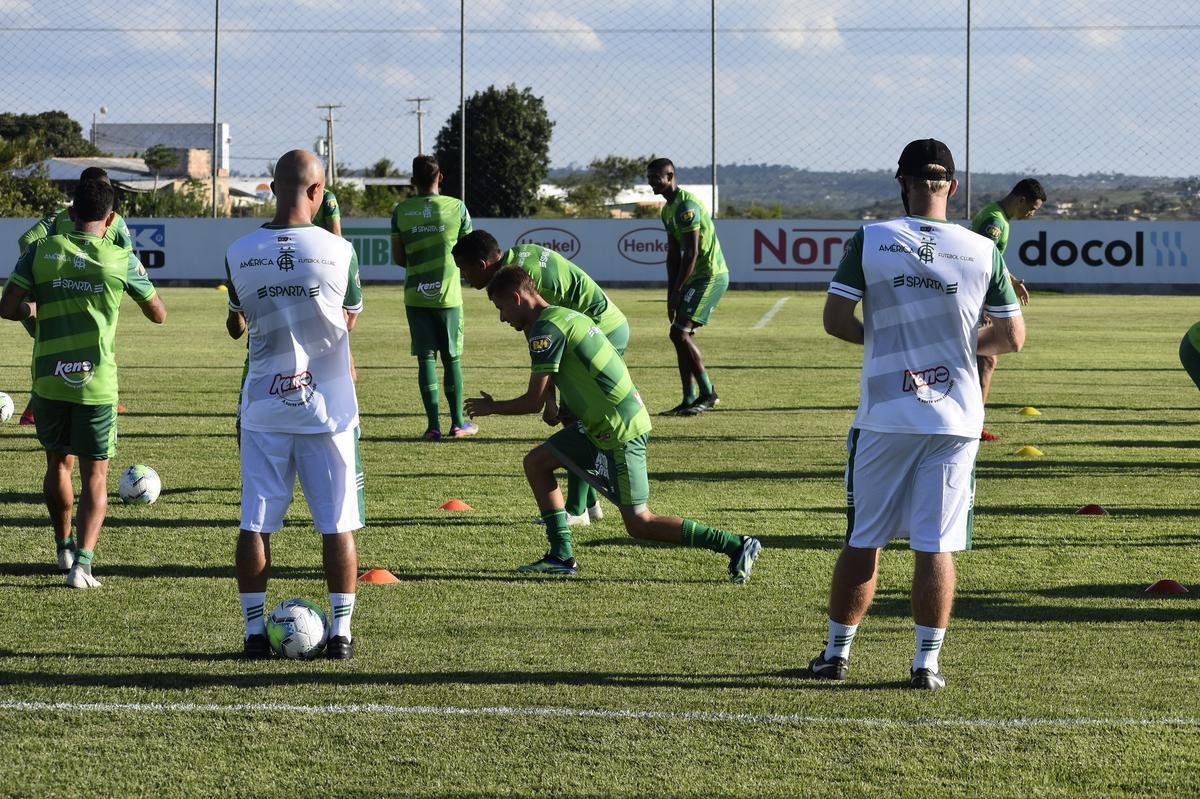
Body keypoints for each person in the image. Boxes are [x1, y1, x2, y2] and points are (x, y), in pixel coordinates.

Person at [809, 139, 1025, 690]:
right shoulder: (983, 249)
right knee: (937, 542)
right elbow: (1012, 339)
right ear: (951, 186)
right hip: (955, 420)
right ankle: (925, 664)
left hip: (886, 415)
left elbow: (835, 320)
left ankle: (836, 656)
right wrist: (956, 340)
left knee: (865, 537)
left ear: (901, 182)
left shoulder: (873, 239)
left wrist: (884, 341)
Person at [464, 266, 761, 582]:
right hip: (606, 420)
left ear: (516, 297)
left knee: (640, 523)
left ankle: (735, 544)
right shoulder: (565, 316)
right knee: (537, 463)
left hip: (619, 429)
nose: (502, 317)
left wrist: (491, 407)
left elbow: (532, 401)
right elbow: (558, 384)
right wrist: (554, 406)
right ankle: (561, 556)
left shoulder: (544, 331)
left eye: (501, 308)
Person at [224, 149, 364, 660]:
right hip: (327, 405)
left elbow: (239, 321)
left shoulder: (238, 251)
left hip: (263, 403)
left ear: (270, 187)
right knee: (337, 522)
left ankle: (255, 634)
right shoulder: (340, 252)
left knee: (256, 521)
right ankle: (342, 634)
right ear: (317, 191)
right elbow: (348, 318)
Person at [0, 178, 166, 586]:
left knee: (57, 462)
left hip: (49, 381)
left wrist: (32, 308)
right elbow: (158, 314)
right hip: (96, 384)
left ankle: (63, 548)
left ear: (71, 213)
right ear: (110, 218)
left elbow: (7, 308)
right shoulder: (119, 258)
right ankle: (83, 565)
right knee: (96, 475)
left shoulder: (41, 251)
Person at [453, 229, 629, 526]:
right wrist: (550, 399)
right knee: (572, 416)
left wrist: (547, 401)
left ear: (481, 265)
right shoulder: (520, 260)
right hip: (603, 323)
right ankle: (588, 502)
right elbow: (542, 344)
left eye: (464, 270)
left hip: (602, 329)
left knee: (578, 418)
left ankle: (576, 510)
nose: (464, 278)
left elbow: (545, 337)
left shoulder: (524, 282)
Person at [16, 167, 135, 426]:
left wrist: (42, 270)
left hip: (52, 296)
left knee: (55, 353)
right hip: (90, 299)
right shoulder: (114, 221)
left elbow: (26, 240)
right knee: (95, 346)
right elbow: (128, 257)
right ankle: (35, 410)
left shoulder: (59, 216)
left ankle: (39, 410)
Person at [391, 155, 475, 440]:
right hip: (448, 296)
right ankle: (459, 423)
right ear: (440, 178)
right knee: (452, 359)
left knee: (426, 359)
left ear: (413, 181)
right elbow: (470, 254)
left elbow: (399, 258)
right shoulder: (457, 208)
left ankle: (432, 427)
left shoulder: (401, 211)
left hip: (416, 296)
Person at [646, 157, 728, 416]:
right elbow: (673, 255)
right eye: (649, 178)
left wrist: (679, 290)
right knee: (680, 335)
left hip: (710, 275)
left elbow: (691, 253)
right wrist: (671, 292)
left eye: (655, 178)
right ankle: (689, 398)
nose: (651, 183)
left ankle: (708, 393)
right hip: (695, 278)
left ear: (670, 176)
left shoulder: (686, 207)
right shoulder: (667, 210)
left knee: (679, 333)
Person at [971, 178, 1045, 441]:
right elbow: (979, 260)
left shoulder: (997, 214)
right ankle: (972, 425)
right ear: (1021, 199)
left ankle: (972, 423)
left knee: (983, 358)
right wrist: (985, 304)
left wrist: (1012, 281)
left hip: (981, 297)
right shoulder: (995, 222)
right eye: (1033, 208)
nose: (1032, 214)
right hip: (979, 298)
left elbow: (993, 259)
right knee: (986, 358)